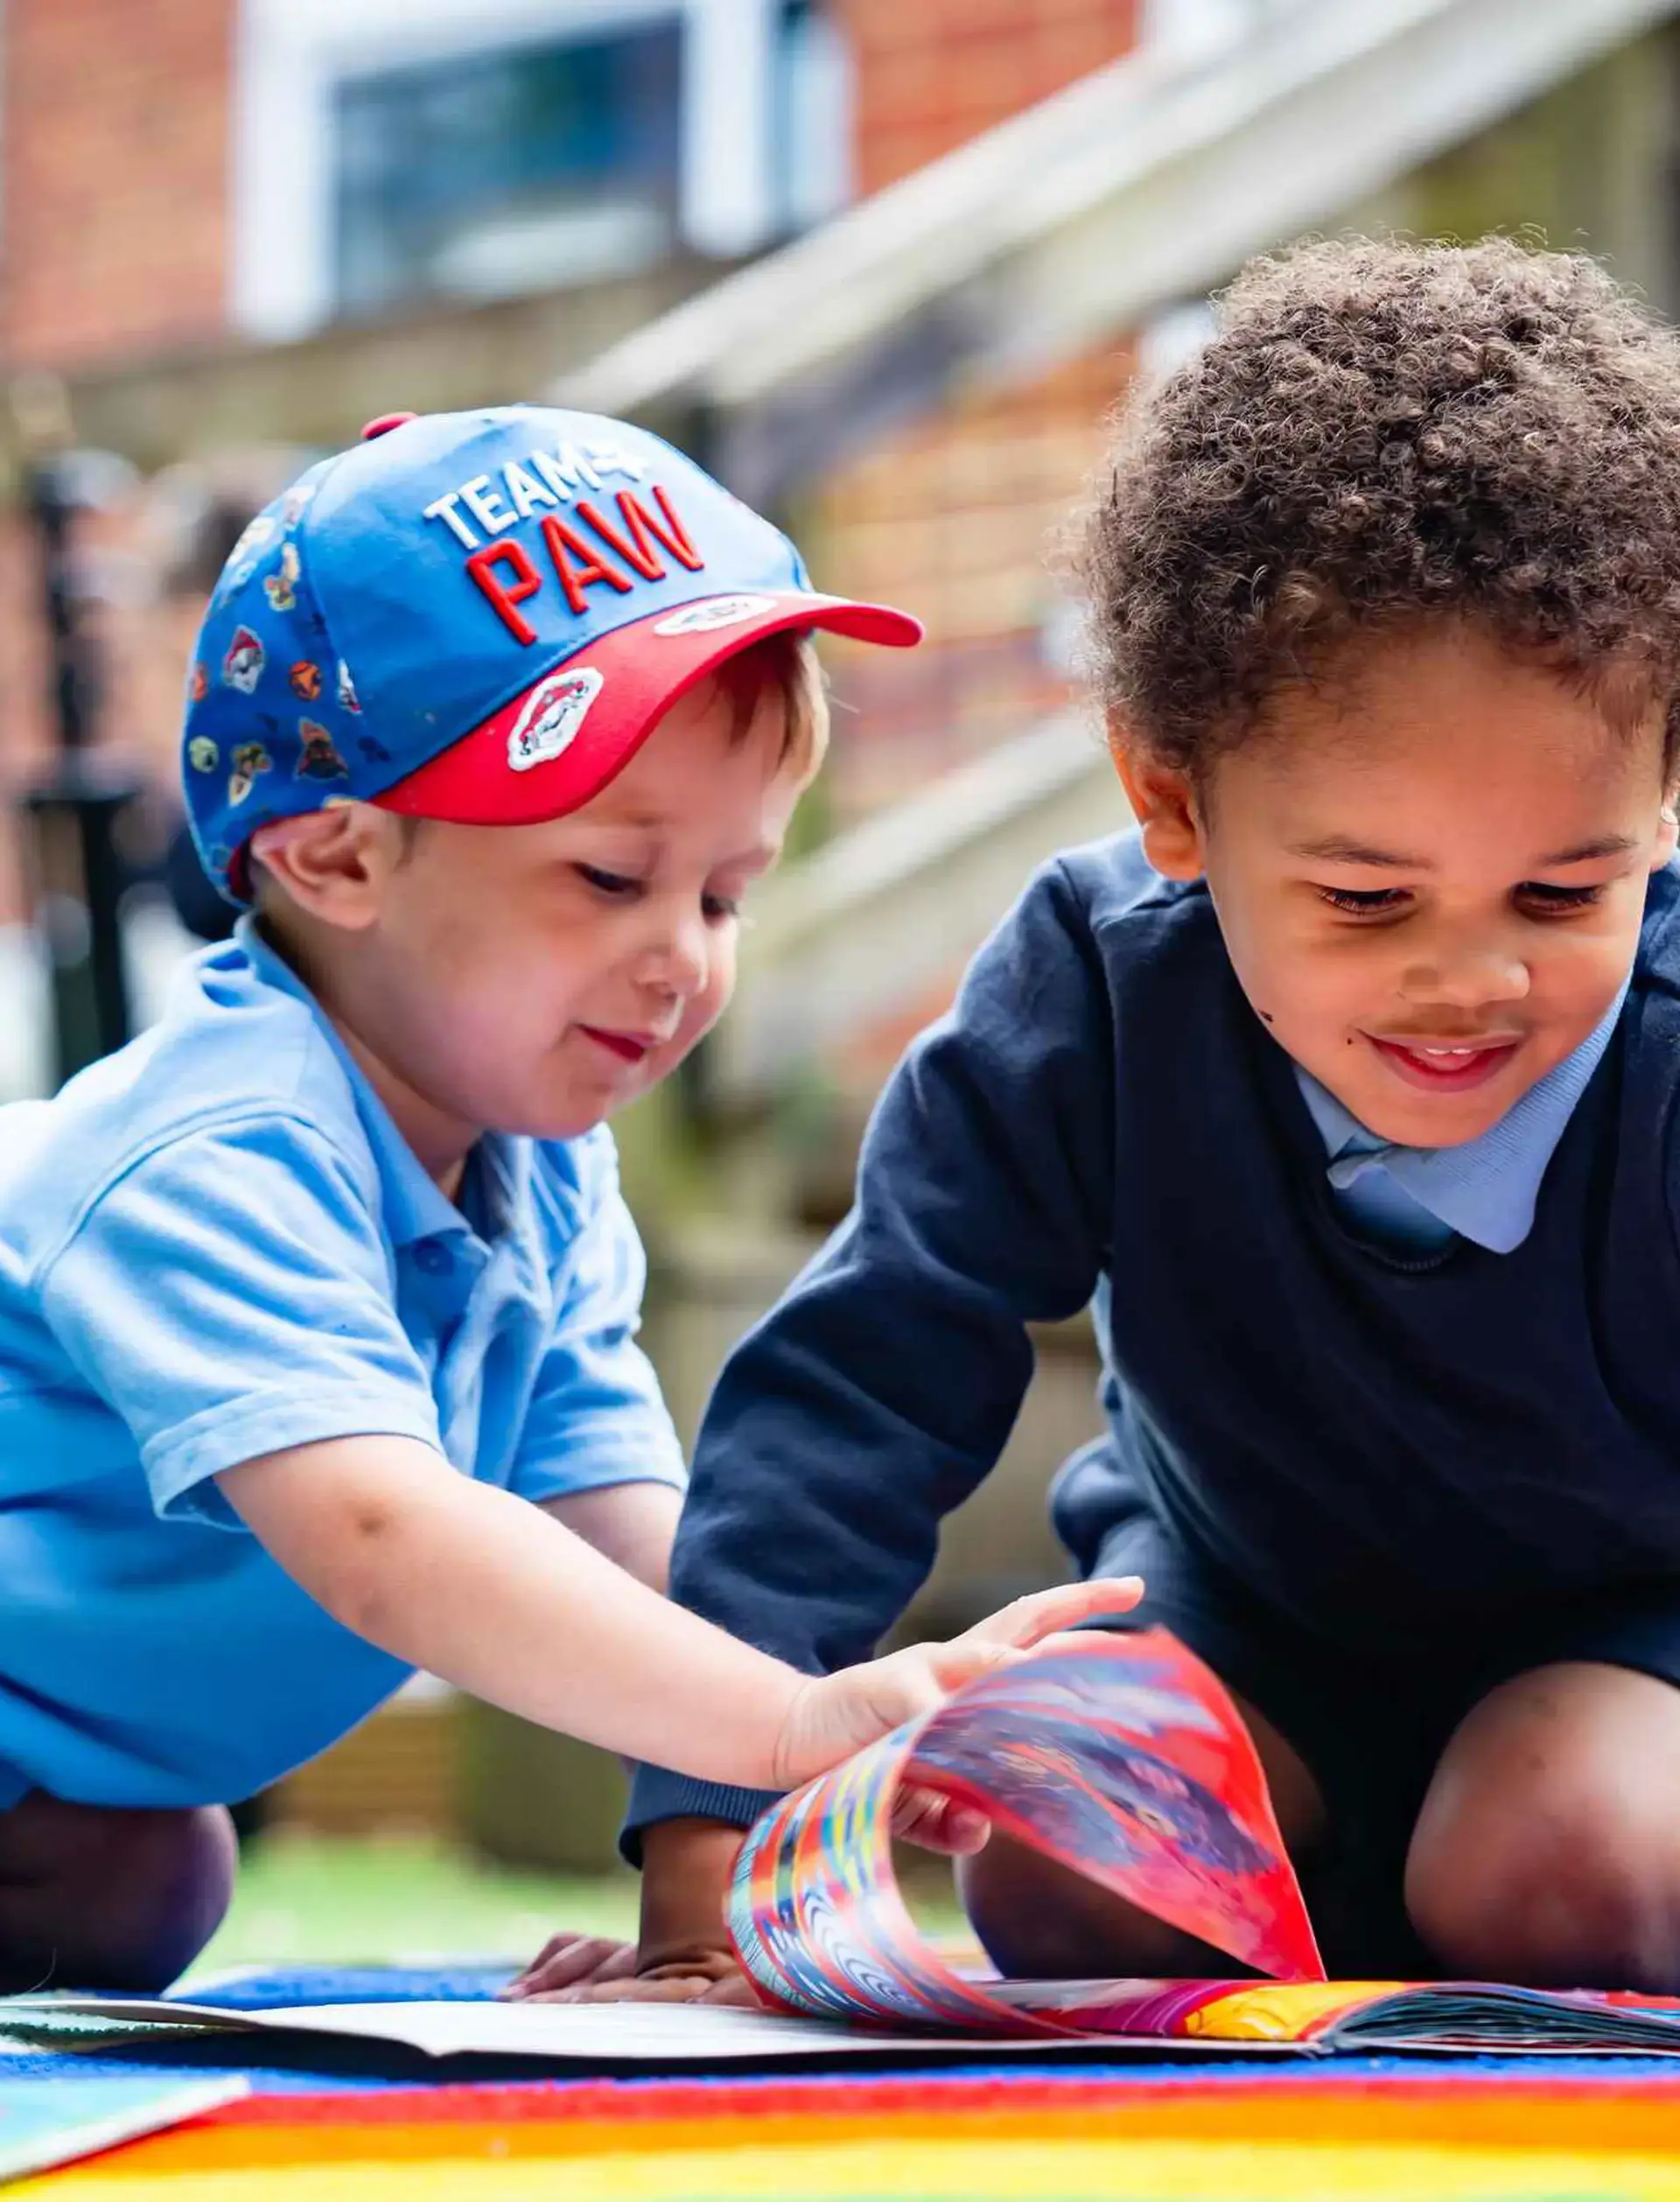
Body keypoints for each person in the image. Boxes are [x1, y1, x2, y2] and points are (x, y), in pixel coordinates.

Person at [515, 237, 1680, 2006]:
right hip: (1240, 1619)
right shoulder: (1097, 987)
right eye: (1367, 900)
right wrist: (701, 1859)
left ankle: (1461, 1907)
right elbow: (866, 1376)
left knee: (1557, 1860)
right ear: (1171, 797)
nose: (1473, 982)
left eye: (1563, 892)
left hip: (1624, 1662)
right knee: (1059, 1852)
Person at [0, 403, 1138, 1992]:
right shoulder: (213, 1151)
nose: (684, 954)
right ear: (336, 857)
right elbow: (384, 1534)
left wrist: (845, 1730)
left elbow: (628, 1544)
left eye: (727, 891)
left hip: (60, 1783)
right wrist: (777, 1718)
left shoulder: (537, 1170)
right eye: (612, 877)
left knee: (140, 1878)